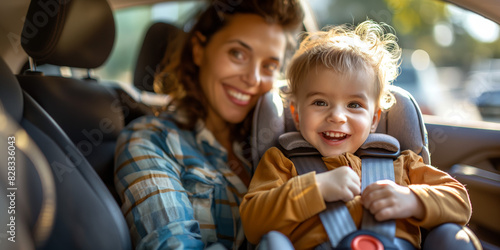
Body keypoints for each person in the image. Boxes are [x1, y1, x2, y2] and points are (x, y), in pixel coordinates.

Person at [239, 20, 473, 249]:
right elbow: (253, 222)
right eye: (320, 102)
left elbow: (460, 202)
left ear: (373, 119)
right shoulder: (281, 163)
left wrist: (412, 200)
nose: (337, 116)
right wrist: (315, 188)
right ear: (297, 115)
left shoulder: (403, 164)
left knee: (452, 235)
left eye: (354, 105)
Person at [114, 0, 304, 249]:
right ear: (198, 50)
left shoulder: (288, 135)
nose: (252, 79)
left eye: (269, 65)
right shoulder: (151, 139)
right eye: (238, 53)